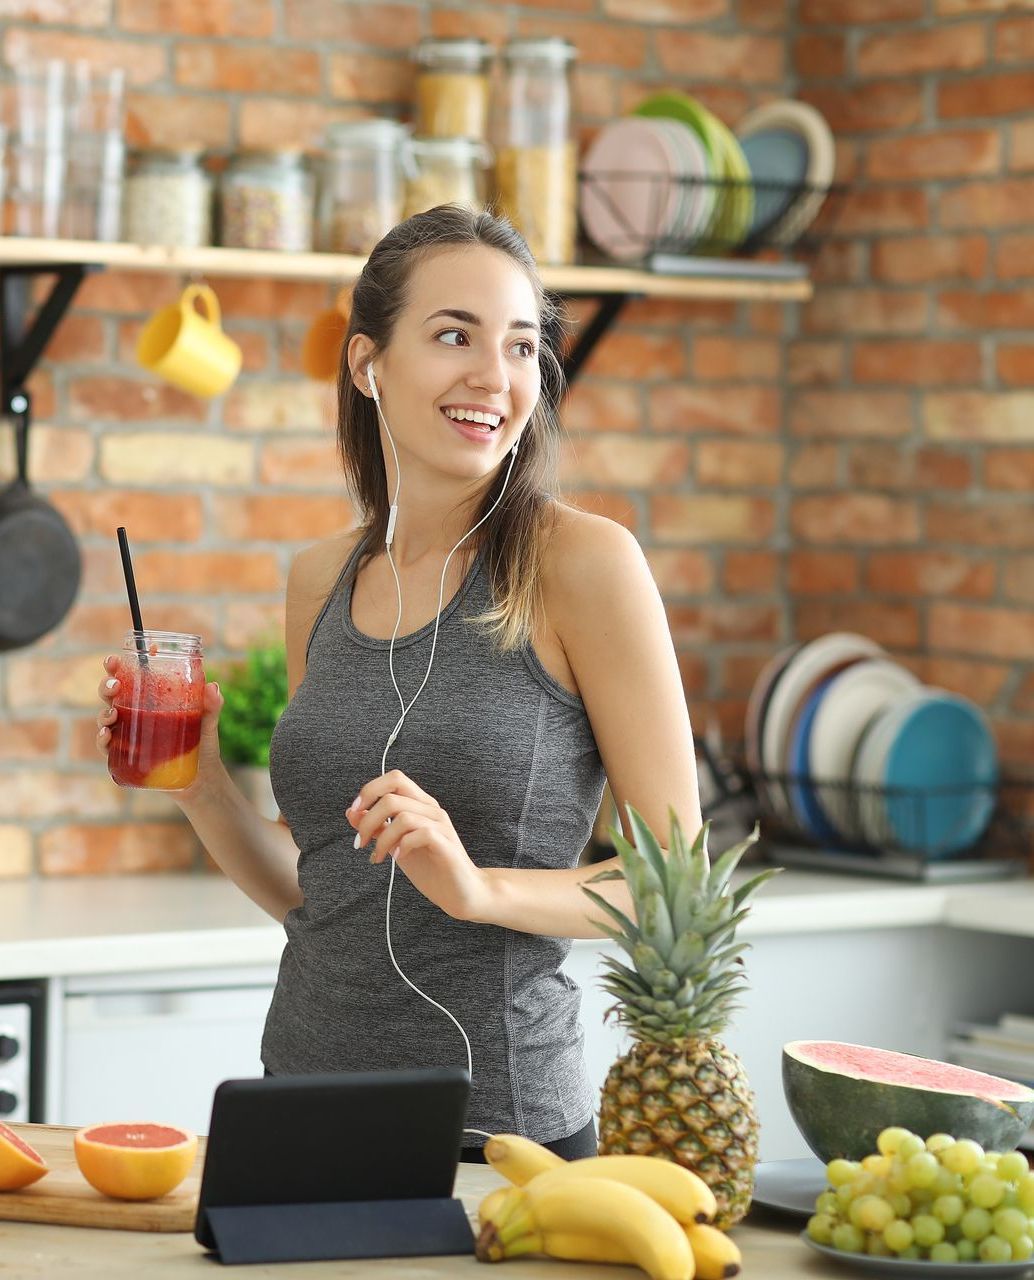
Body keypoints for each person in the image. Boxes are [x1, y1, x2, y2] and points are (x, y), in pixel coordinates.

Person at [95, 205, 701, 1162]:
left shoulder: (583, 564)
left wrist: (476, 889)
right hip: (295, 1107)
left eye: (519, 345)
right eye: (453, 334)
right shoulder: (321, 580)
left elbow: (676, 887)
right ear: (367, 362)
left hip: (497, 1136)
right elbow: (324, 892)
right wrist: (201, 783)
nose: (492, 377)